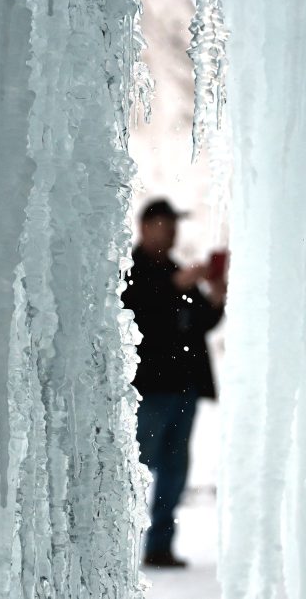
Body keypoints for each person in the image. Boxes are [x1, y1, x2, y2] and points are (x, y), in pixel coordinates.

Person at [122, 198, 226, 569]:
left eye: (173, 226)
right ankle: (113, 545)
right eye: (163, 225)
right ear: (145, 227)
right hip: (148, 389)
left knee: (174, 471)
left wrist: (215, 300)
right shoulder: (131, 270)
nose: (169, 232)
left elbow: (198, 323)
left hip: (184, 387)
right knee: (134, 466)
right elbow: (136, 314)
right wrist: (173, 286)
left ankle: (159, 546)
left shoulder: (176, 271)